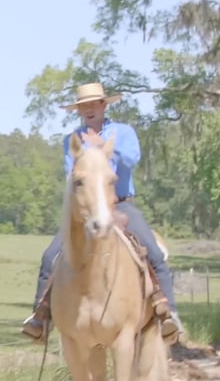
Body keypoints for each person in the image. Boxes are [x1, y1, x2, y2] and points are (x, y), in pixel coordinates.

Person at [21, 82, 183, 344]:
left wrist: (103, 147)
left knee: (153, 253)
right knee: (50, 256)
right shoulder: (72, 140)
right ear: (79, 110)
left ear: (104, 105)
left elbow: (131, 159)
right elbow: (70, 174)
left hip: (119, 204)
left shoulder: (123, 132)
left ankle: (169, 314)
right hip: (86, 209)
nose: (89, 109)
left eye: (94, 104)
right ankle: (40, 318)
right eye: (83, 106)